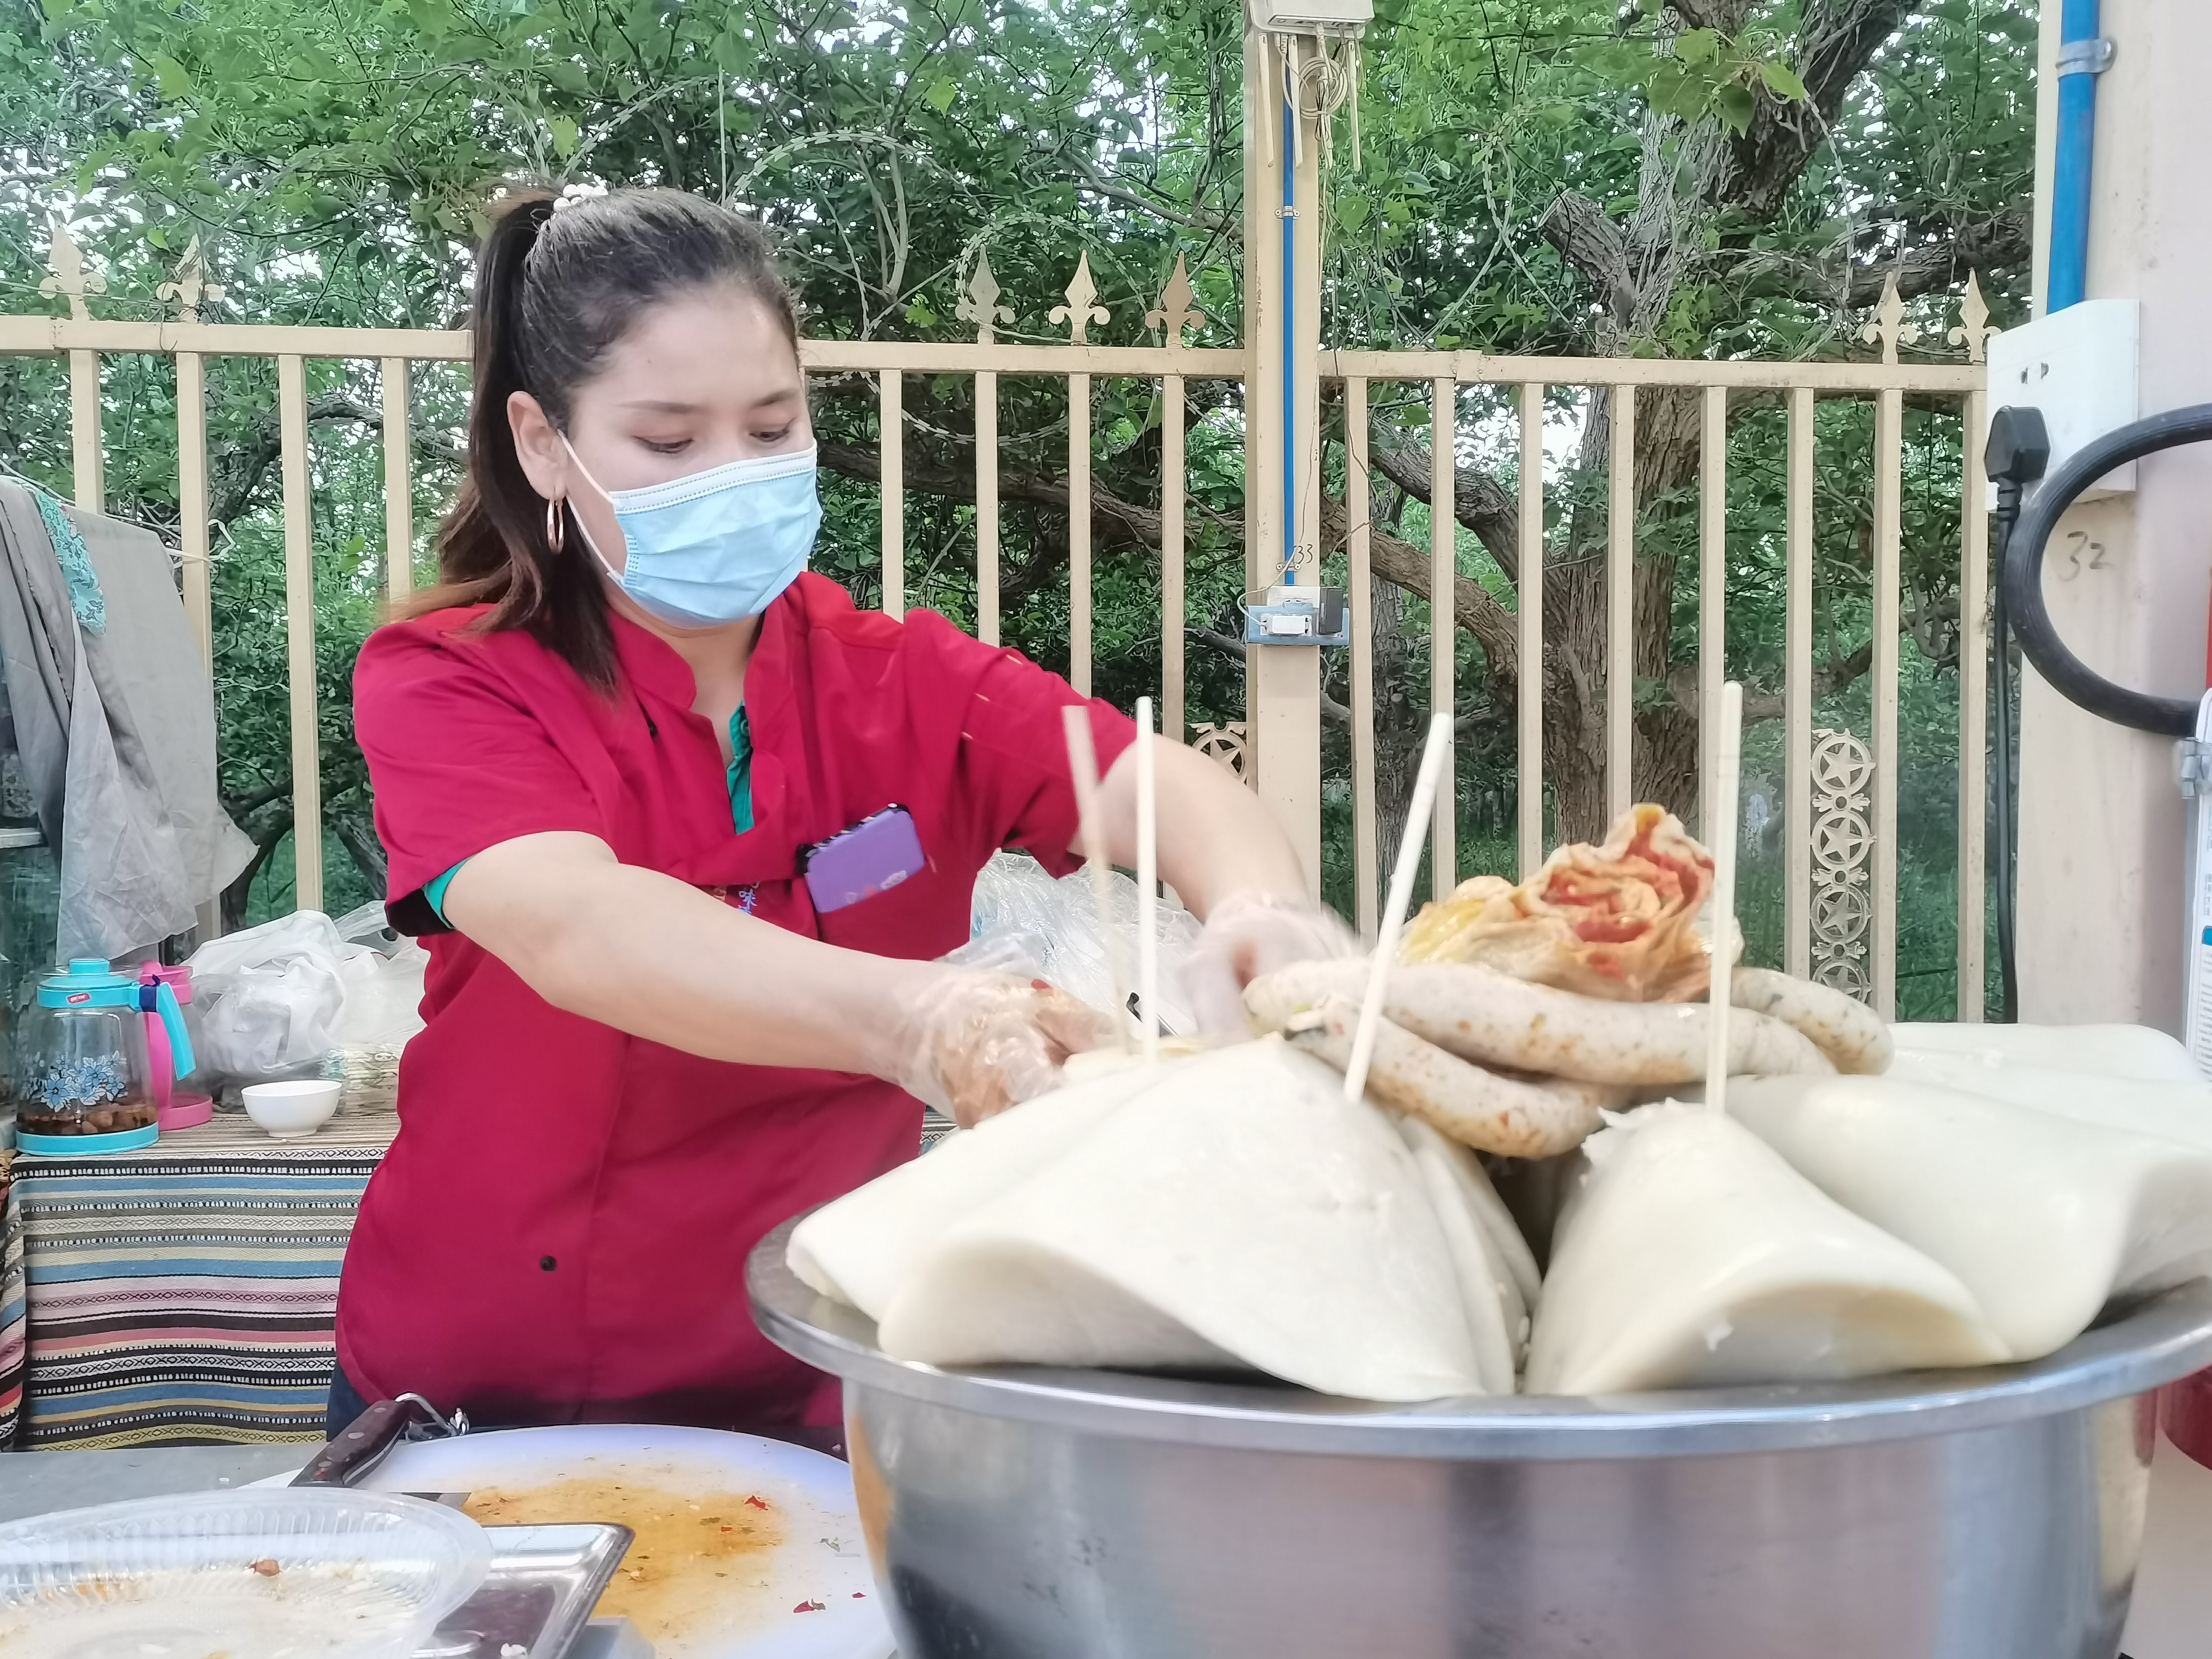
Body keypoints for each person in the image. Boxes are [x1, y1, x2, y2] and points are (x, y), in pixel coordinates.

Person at [331, 185, 1353, 1433]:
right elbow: (574, 926)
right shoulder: (455, 675)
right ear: (545, 443)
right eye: (668, 443)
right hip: (488, 1380)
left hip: (809, 1366)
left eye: (773, 426)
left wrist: (1262, 905)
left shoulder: (897, 678)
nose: (735, 475)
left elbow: (1148, 780)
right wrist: (922, 1020)